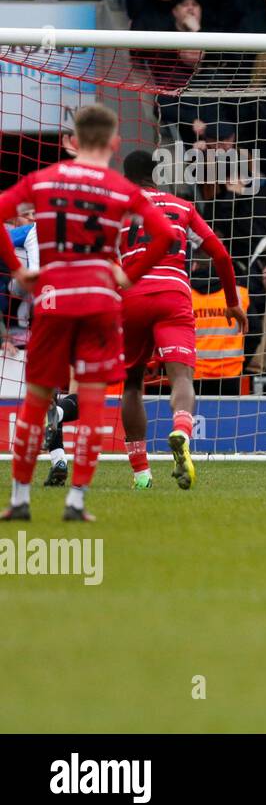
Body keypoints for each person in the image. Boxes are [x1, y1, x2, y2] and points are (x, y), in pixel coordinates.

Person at [0, 105, 174, 522]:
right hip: (99, 301)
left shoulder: (43, 180)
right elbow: (166, 235)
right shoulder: (120, 188)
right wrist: (128, 274)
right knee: (93, 400)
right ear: (114, 144)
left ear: (73, 141)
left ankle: (20, 499)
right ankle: (76, 502)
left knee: (39, 399)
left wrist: (21, 268)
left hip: (54, 299)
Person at [116, 150, 248, 491]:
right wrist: (232, 303)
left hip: (131, 295)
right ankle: (181, 430)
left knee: (132, 384)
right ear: (155, 173)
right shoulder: (182, 207)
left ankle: (141, 473)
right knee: (182, 375)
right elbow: (220, 254)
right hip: (174, 294)